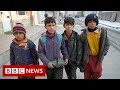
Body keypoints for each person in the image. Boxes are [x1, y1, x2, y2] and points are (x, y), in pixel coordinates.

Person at [79, 14, 110, 79]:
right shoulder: (83, 34)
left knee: (98, 72)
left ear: (96, 23)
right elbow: (80, 48)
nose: (92, 23)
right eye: (90, 22)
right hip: (87, 58)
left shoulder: (101, 33)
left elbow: (107, 44)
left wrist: (104, 52)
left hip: (97, 57)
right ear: (87, 23)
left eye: (94, 22)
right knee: (87, 74)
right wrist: (80, 59)